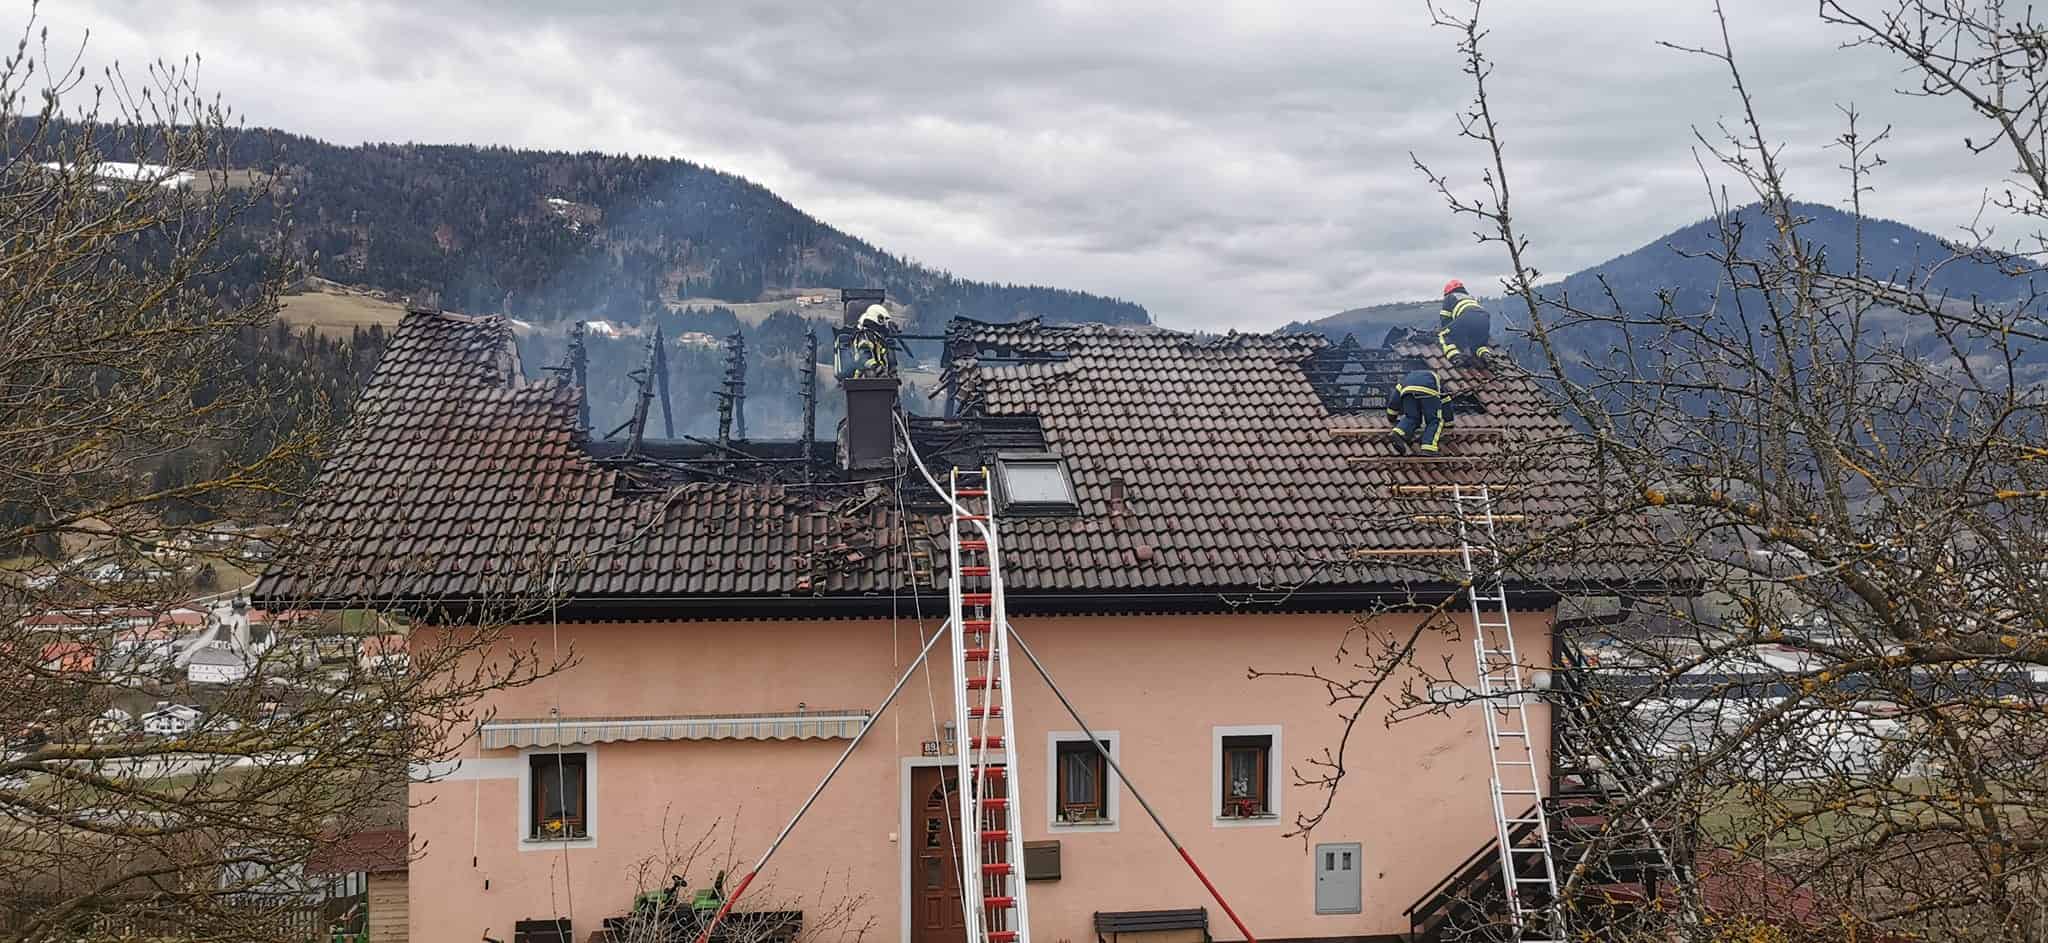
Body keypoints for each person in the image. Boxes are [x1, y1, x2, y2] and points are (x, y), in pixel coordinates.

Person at [1385, 367, 1453, 455]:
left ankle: (1397, 433)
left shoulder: (1407, 378)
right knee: (1434, 420)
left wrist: (1391, 416)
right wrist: (1448, 423)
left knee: (1412, 417)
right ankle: (1429, 448)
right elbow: (1445, 400)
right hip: (1428, 392)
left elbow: (1395, 399)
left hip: (1408, 392)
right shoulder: (1436, 378)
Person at [1438, 279, 1499, 368]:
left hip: (1468, 316)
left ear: (1448, 291)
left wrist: (1448, 332)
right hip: (1484, 318)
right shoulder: (1470, 297)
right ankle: (1485, 355)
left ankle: (1455, 357)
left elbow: (1445, 320)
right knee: (1478, 343)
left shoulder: (1449, 297)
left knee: (1443, 334)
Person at [849, 303, 897, 378]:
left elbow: (879, 355)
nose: (885, 325)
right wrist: (879, 370)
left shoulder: (876, 338)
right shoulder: (864, 335)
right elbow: (864, 358)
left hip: (876, 380)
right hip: (863, 380)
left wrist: (889, 350)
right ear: (877, 318)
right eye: (883, 320)